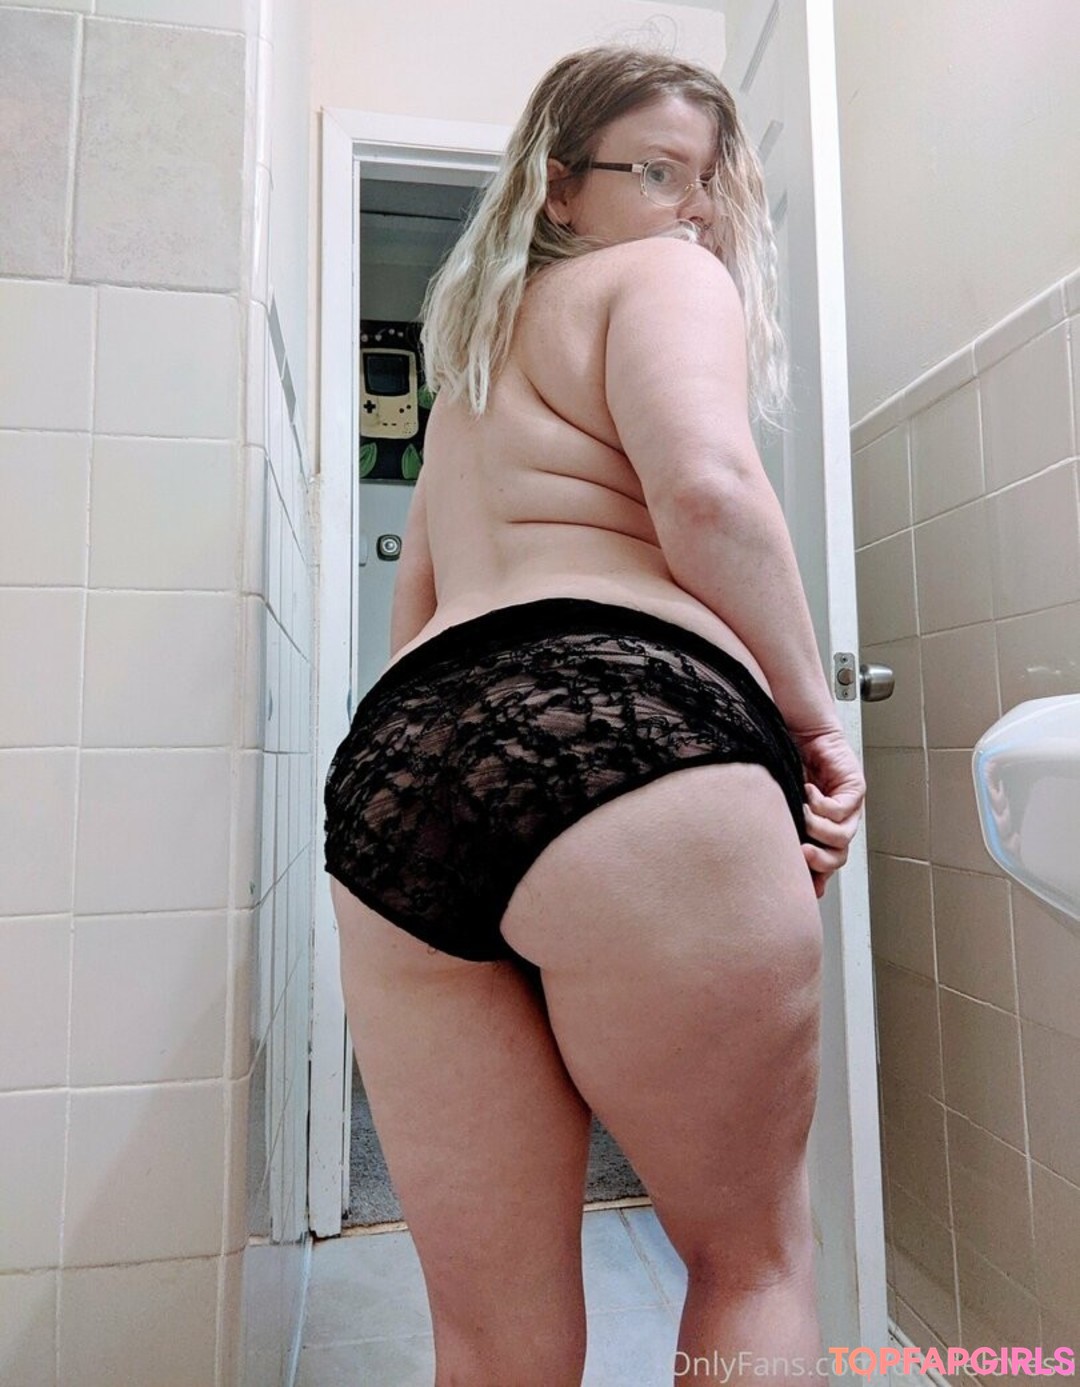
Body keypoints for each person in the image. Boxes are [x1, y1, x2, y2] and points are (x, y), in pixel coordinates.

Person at [323, 43, 866, 1387]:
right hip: (632, 725)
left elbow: (416, 618)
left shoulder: (469, 377)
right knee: (753, 1263)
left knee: (488, 1337)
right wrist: (813, 721)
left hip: (408, 765)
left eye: (711, 183)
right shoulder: (665, 279)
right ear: (559, 190)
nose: (695, 212)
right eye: (659, 173)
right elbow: (710, 492)